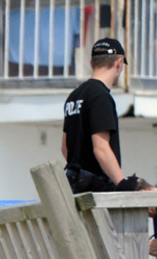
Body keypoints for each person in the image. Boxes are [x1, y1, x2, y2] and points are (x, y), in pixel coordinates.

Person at [62, 38, 128, 193]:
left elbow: (66, 148)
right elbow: (101, 149)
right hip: (96, 188)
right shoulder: (101, 97)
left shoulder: (74, 96)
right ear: (119, 63)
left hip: (74, 184)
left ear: (92, 64)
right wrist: (122, 184)